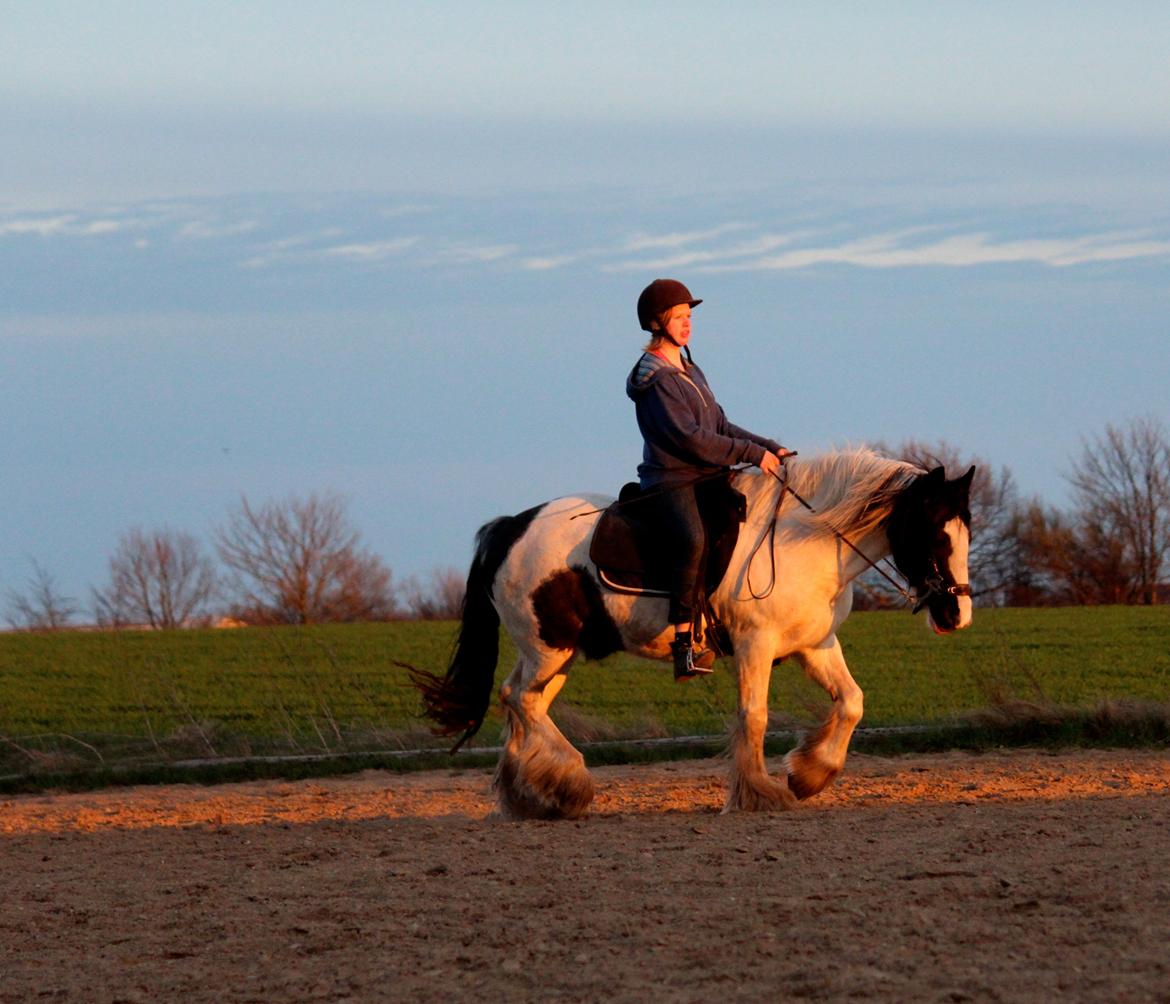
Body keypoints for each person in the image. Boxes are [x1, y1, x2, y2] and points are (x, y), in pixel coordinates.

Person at [626, 278, 792, 680]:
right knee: (693, 539)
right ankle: (683, 645)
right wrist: (752, 455)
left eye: (689, 316)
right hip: (671, 479)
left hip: (706, 475)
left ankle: (736, 625)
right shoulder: (659, 381)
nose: (688, 324)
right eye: (679, 317)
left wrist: (768, 445)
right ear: (657, 323)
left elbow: (719, 424)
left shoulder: (689, 368)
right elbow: (692, 440)